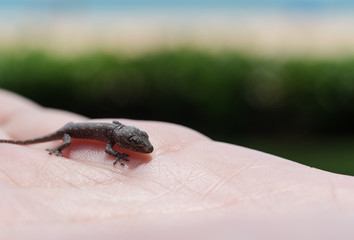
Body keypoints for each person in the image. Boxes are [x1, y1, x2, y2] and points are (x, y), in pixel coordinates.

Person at [0, 89, 353, 239]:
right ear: (124, 142)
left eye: (137, 145)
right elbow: (108, 150)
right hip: (66, 132)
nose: (141, 149)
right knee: (33, 141)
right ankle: (33, 145)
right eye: (134, 146)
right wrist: (63, 149)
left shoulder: (122, 133)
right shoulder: (105, 140)